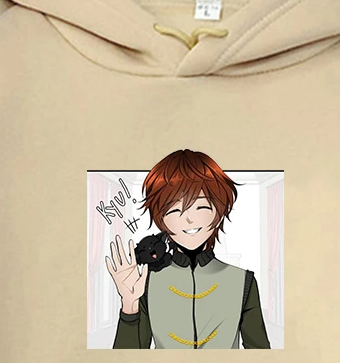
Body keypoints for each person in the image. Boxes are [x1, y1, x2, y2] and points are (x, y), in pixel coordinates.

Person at [106, 149, 271, 349]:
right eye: (174, 210)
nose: (188, 219)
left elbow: (262, 356)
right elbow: (124, 362)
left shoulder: (243, 281)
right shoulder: (146, 283)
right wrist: (129, 305)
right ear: (161, 220)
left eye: (201, 207)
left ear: (219, 213)